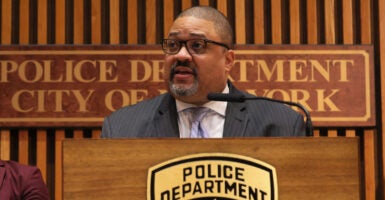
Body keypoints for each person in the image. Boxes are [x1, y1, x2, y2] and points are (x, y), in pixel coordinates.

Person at [101, 6, 306, 138]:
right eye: (173, 44)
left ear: (228, 60)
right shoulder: (122, 129)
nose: (181, 55)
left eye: (197, 45)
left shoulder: (281, 125)